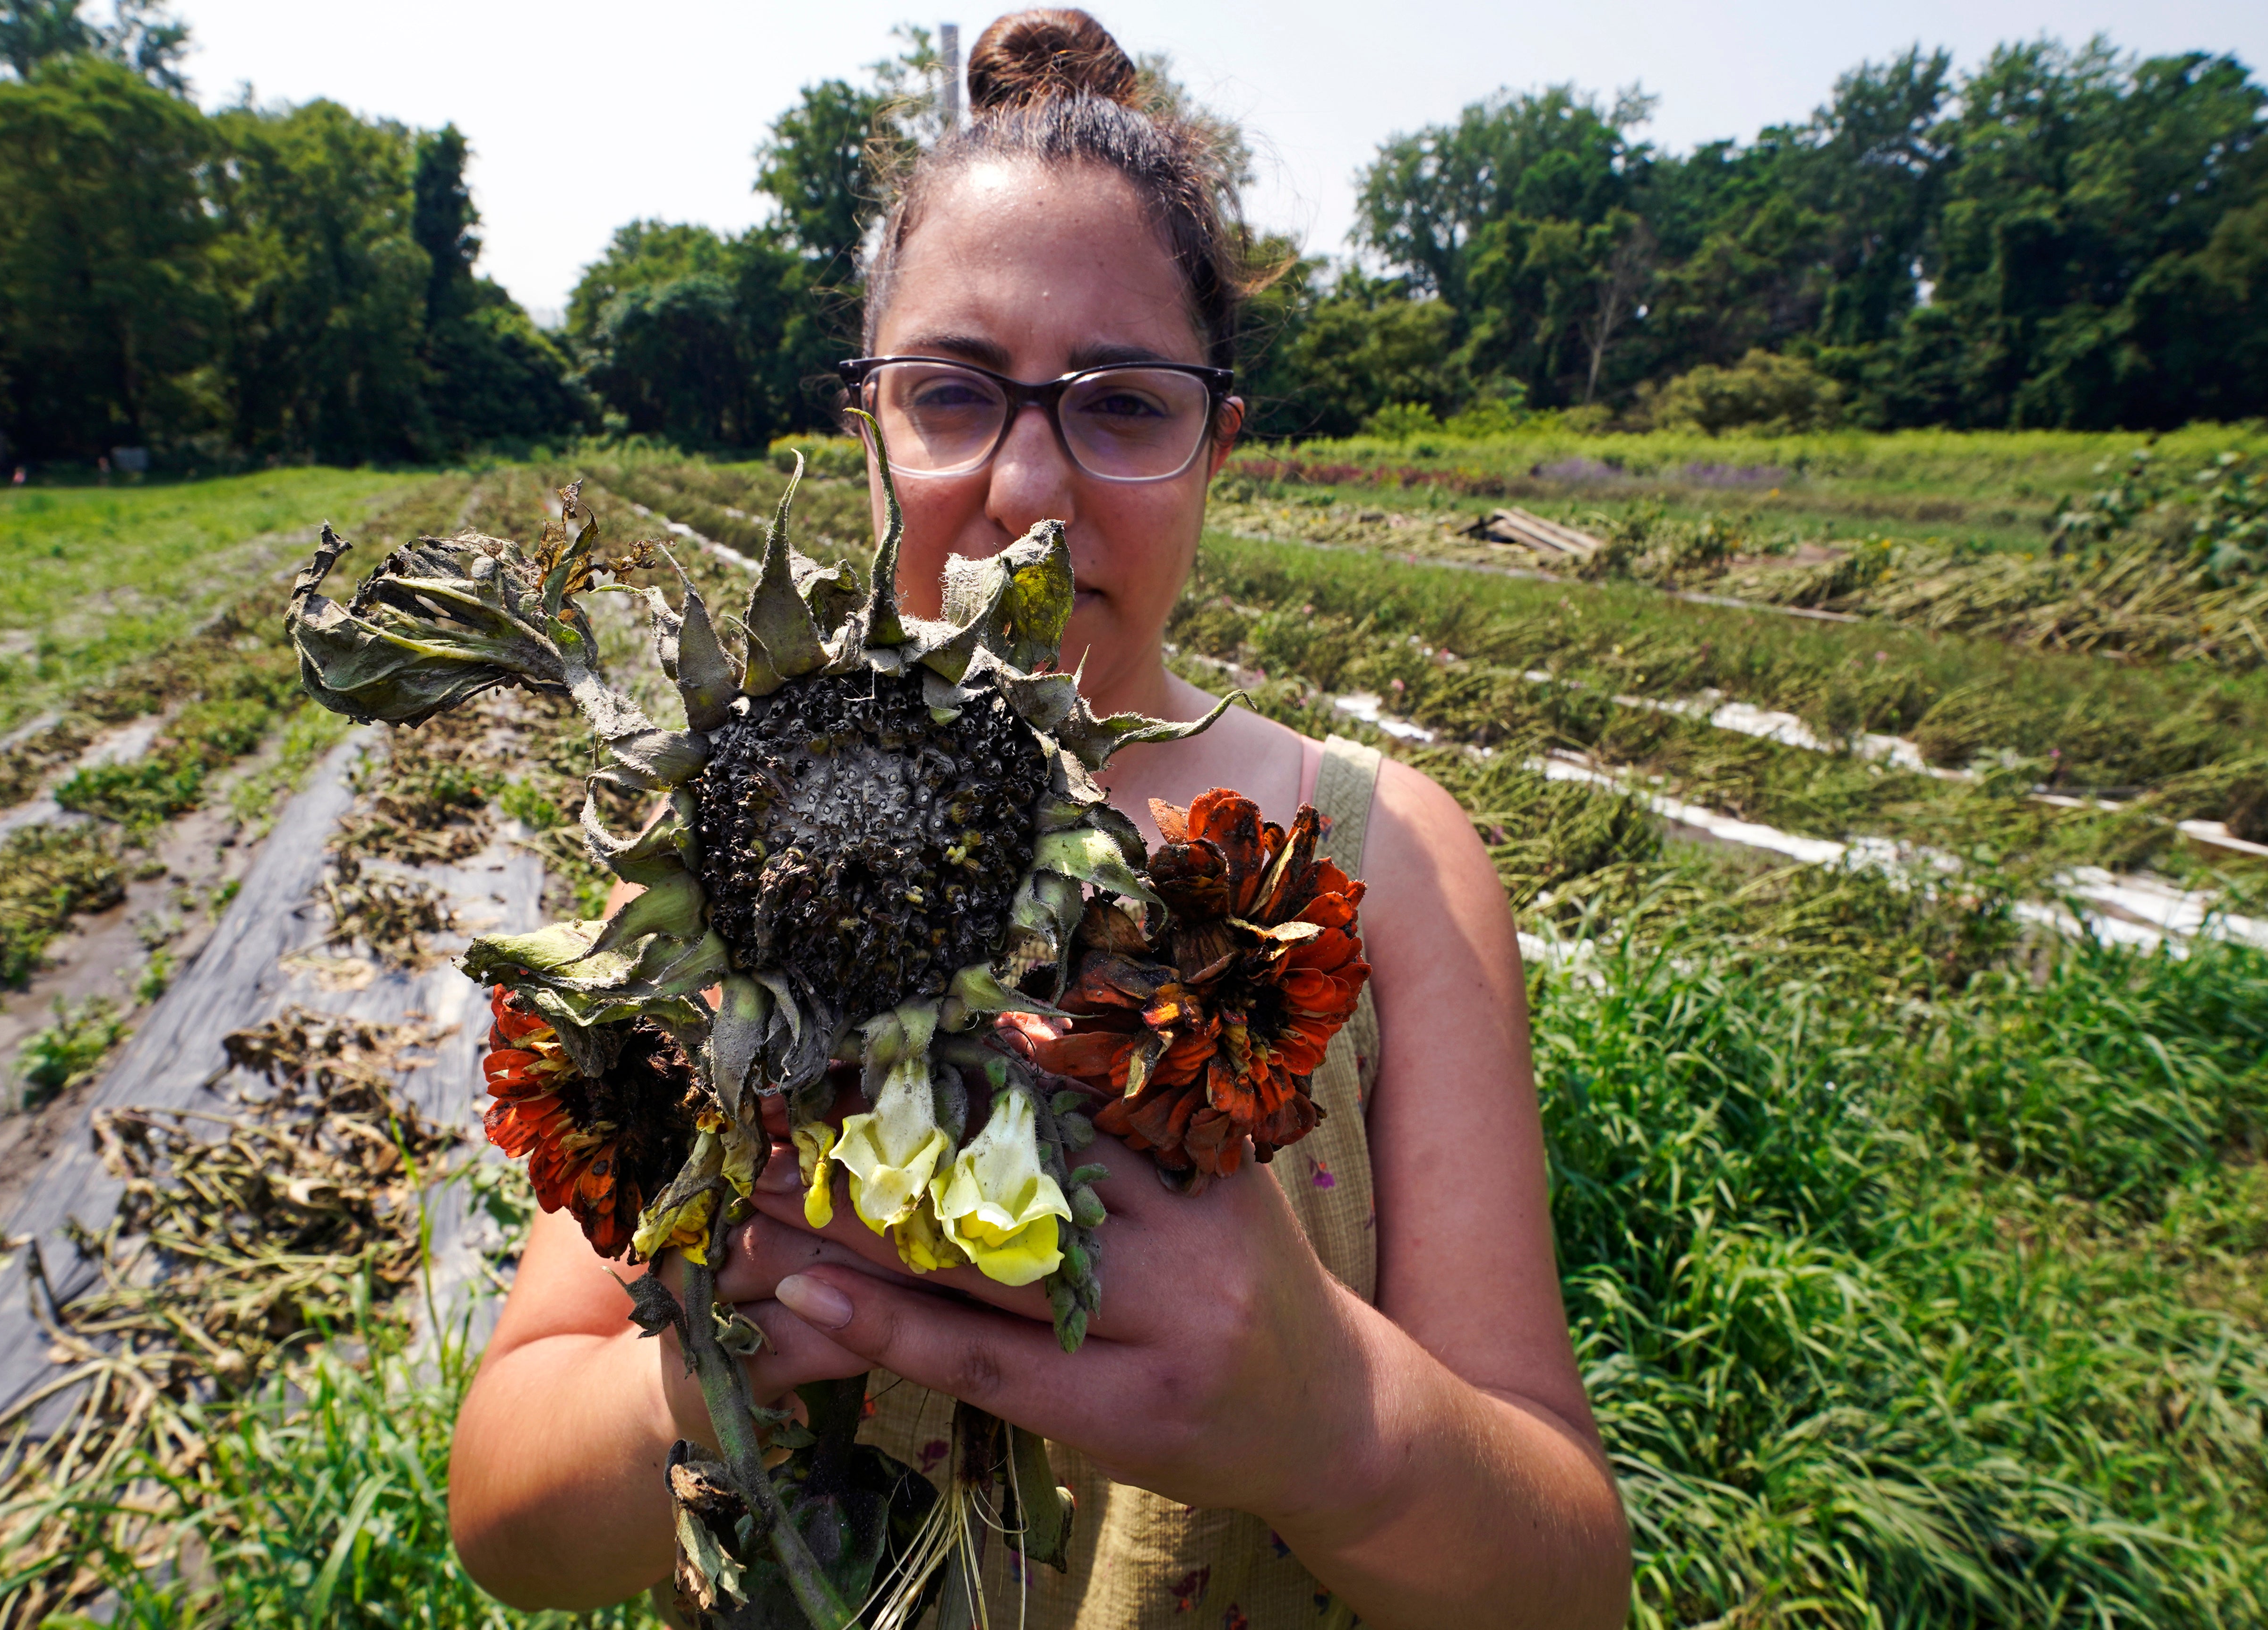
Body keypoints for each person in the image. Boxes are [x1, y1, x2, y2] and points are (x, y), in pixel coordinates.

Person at [448, 11, 1631, 1626]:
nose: (1030, 488)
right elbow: (511, 1521)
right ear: (867, 422)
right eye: (953, 393)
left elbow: (1564, 1585)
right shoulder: (734, 855)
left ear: (1217, 441)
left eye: (1123, 405)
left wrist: (1330, 1422)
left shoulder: (1387, 867)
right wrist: (708, 1360)